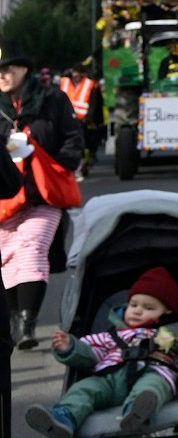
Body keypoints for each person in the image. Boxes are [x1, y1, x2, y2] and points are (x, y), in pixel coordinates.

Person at [25, 266, 178, 438]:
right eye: (133, 304)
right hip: (109, 379)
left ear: (167, 313)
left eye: (149, 308)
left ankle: (137, 411)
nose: (138, 310)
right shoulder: (111, 334)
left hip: (152, 372)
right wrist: (70, 347)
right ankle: (66, 416)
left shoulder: (169, 334)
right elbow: (90, 354)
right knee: (85, 388)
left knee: (153, 385)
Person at [0, 43, 84, 350]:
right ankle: (12, 318)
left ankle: (27, 322)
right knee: (7, 255)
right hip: (5, 195)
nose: (3, 75)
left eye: (8, 68)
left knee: (32, 247)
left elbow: (73, 138)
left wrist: (60, 165)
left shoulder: (53, 98)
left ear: (24, 68)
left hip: (44, 194)